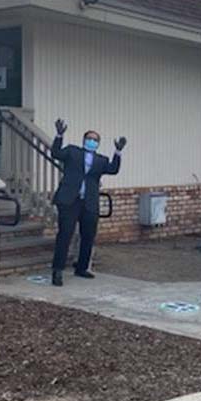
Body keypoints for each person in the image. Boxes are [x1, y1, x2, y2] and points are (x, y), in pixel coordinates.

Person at [51, 119, 126, 287]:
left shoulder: (101, 160)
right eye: (90, 139)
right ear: (84, 140)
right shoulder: (72, 152)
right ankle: (58, 270)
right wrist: (59, 135)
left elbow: (113, 169)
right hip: (70, 200)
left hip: (89, 202)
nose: (92, 141)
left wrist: (118, 152)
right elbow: (55, 153)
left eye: (95, 140)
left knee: (88, 236)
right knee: (65, 235)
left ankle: (82, 267)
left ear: (98, 143)